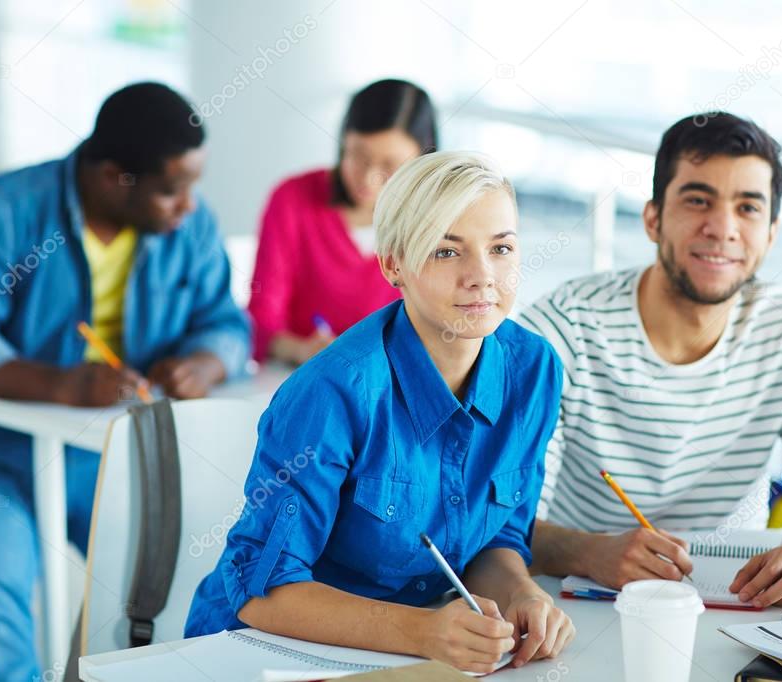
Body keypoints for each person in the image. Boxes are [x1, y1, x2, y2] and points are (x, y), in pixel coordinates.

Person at [186, 151, 574, 674]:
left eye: (501, 248)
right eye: (445, 251)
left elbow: (498, 536)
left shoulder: (534, 370)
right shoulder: (332, 392)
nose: (483, 277)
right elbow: (261, 589)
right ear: (394, 264)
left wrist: (522, 595)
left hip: (403, 658)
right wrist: (422, 632)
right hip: (261, 656)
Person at [0, 82, 250, 682]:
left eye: (192, 186)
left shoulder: (189, 222)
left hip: (108, 455)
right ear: (115, 178)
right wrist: (66, 386)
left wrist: (204, 363)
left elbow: (227, 323)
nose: (188, 206)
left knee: (169, 592)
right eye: (170, 190)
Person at [520, 112, 782, 609]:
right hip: (581, 602)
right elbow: (503, 517)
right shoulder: (565, 328)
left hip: (739, 603)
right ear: (652, 218)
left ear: (772, 233)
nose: (722, 229)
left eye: (748, 207)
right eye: (697, 200)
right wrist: (589, 552)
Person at [248, 78, 437, 365]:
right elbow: (260, 322)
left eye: (389, 165)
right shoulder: (292, 200)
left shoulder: (437, 223)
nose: (368, 178)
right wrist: (300, 350)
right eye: (357, 155)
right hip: (301, 378)